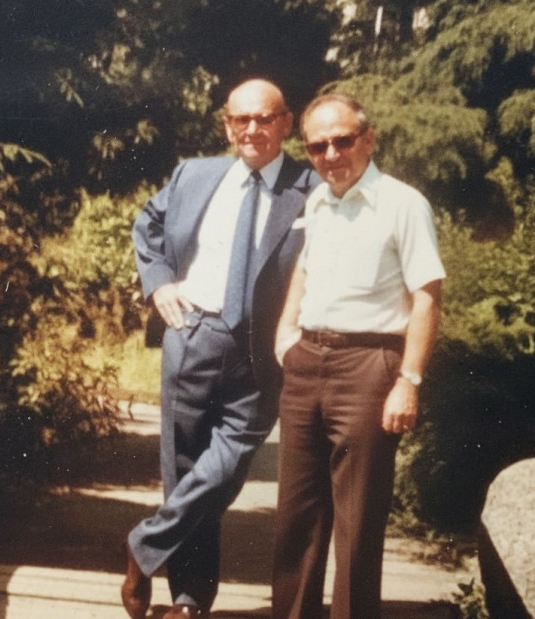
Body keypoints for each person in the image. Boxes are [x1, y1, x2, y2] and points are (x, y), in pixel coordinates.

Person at [124, 78, 319, 619]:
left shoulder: (312, 188)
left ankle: (144, 545)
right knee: (184, 469)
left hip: (264, 351)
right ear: (227, 126)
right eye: (241, 120)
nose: (252, 129)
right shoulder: (194, 175)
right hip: (192, 334)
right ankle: (189, 602)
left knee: (226, 468)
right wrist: (159, 284)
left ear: (286, 123)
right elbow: (148, 223)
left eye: (264, 118)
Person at [270, 93, 446, 619]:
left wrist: (408, 380)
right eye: (317, 146)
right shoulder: (319, 202)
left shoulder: (403, 204)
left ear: (368, 140)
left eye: (342, 141)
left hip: (369, 366)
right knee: (295, 519)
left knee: (357, 522)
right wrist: (286, 332)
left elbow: (427, 295)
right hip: (307, 362)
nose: (330, 155)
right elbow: (305, 268)